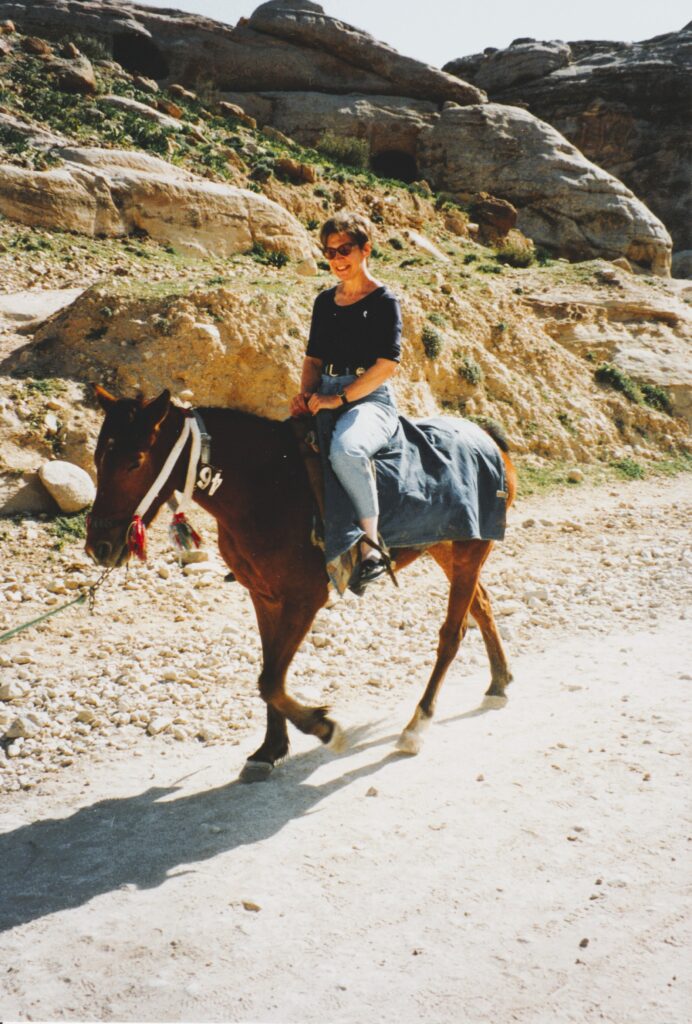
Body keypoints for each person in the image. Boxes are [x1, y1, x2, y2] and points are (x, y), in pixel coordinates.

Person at [290, 211, 402, 590]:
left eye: (345, 249)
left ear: (365, 249)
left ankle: (371, 548)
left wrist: (338, 398)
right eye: (330, 251)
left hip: (371, 399)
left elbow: (386, 366)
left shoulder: (384, 301)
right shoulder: (325, 302)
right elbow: (313, 359)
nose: (338, 258)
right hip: (326, 391)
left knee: (347, 451)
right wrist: (306, 396)